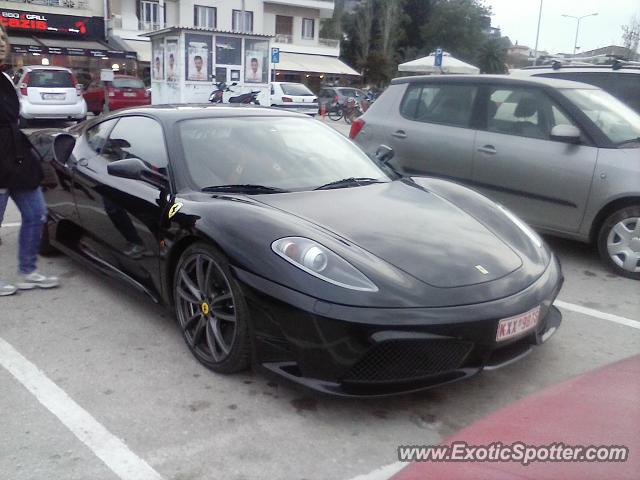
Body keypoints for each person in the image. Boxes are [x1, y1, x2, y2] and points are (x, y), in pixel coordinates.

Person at [0, 23, 59, 296]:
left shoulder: (7, 78)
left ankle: (27, 271)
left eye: (3, 38)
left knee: (36, 214)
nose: (1, 43)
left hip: (16, 158)